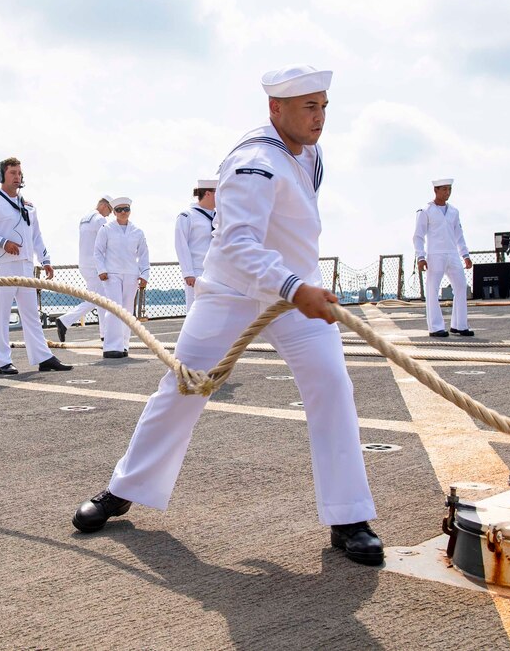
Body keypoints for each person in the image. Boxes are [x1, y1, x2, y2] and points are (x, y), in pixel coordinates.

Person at [71, 65, 385, 566]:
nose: (320, 117)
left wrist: (296, 285)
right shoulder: (253, 163)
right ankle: (123, 489)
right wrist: (294, 286)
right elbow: (238, 244)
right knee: (183, 387)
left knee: (332, 383)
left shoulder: (310, 152)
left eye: (324, 106)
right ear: (274, 109)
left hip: (293, 290)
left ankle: (348, 517)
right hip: (235, 291)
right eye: (310, 107)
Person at [0, 157, 71, 375]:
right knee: (2, 315)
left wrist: (45, 260)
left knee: (32, 315)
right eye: (12, 173)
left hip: (26, 266)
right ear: (1, 176)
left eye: (19, 173)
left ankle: (43, 357)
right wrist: (3, 243)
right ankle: (2, 361)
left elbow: (36, 236)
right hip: (3, 267)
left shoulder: (29, 205)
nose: (17, 177)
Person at [413, 179, 473, 337]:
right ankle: (435, 327)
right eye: (444, 189)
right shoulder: (425, 211)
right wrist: (420, 257)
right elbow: (418, 236)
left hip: (452, 254)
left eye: (449, 189)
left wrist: (465, 255)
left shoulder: (454, 211)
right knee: (432, 290)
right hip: (435, 254)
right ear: (436, 190)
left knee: (461, 286)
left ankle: (460, 325)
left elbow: (459, 235)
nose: (447, 192)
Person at [94, 197, 149, 359]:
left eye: (126, 209)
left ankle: (124, 345)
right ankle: (111, 346)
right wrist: (101, 269)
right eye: (119, 210)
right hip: (111, 274)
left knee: (127, 310)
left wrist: (144, 274)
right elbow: (98, 251)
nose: (123, 212)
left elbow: (144, 254)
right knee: (114, 308)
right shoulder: (106, 229)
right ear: (114, 212)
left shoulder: (138, 231)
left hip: (131, 274)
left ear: (130, 211)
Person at [55, 195, 112, 342]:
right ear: (105, 206)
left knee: (101, 298)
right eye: (110, 210)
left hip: (84, 263)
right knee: (97, 299)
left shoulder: (85, 217)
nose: (110, 214)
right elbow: (106, 243)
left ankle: (104, 334)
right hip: (96, 265)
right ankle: (66, 320)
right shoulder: (100, 219)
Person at [175, 178, 217, 310]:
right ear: (208, 193)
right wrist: (188, 272)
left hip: (217, 271)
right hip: (197, 271)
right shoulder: (187, 216)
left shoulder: (219, 216)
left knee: (215, 311)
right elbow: (181, 245)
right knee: (195, 311)